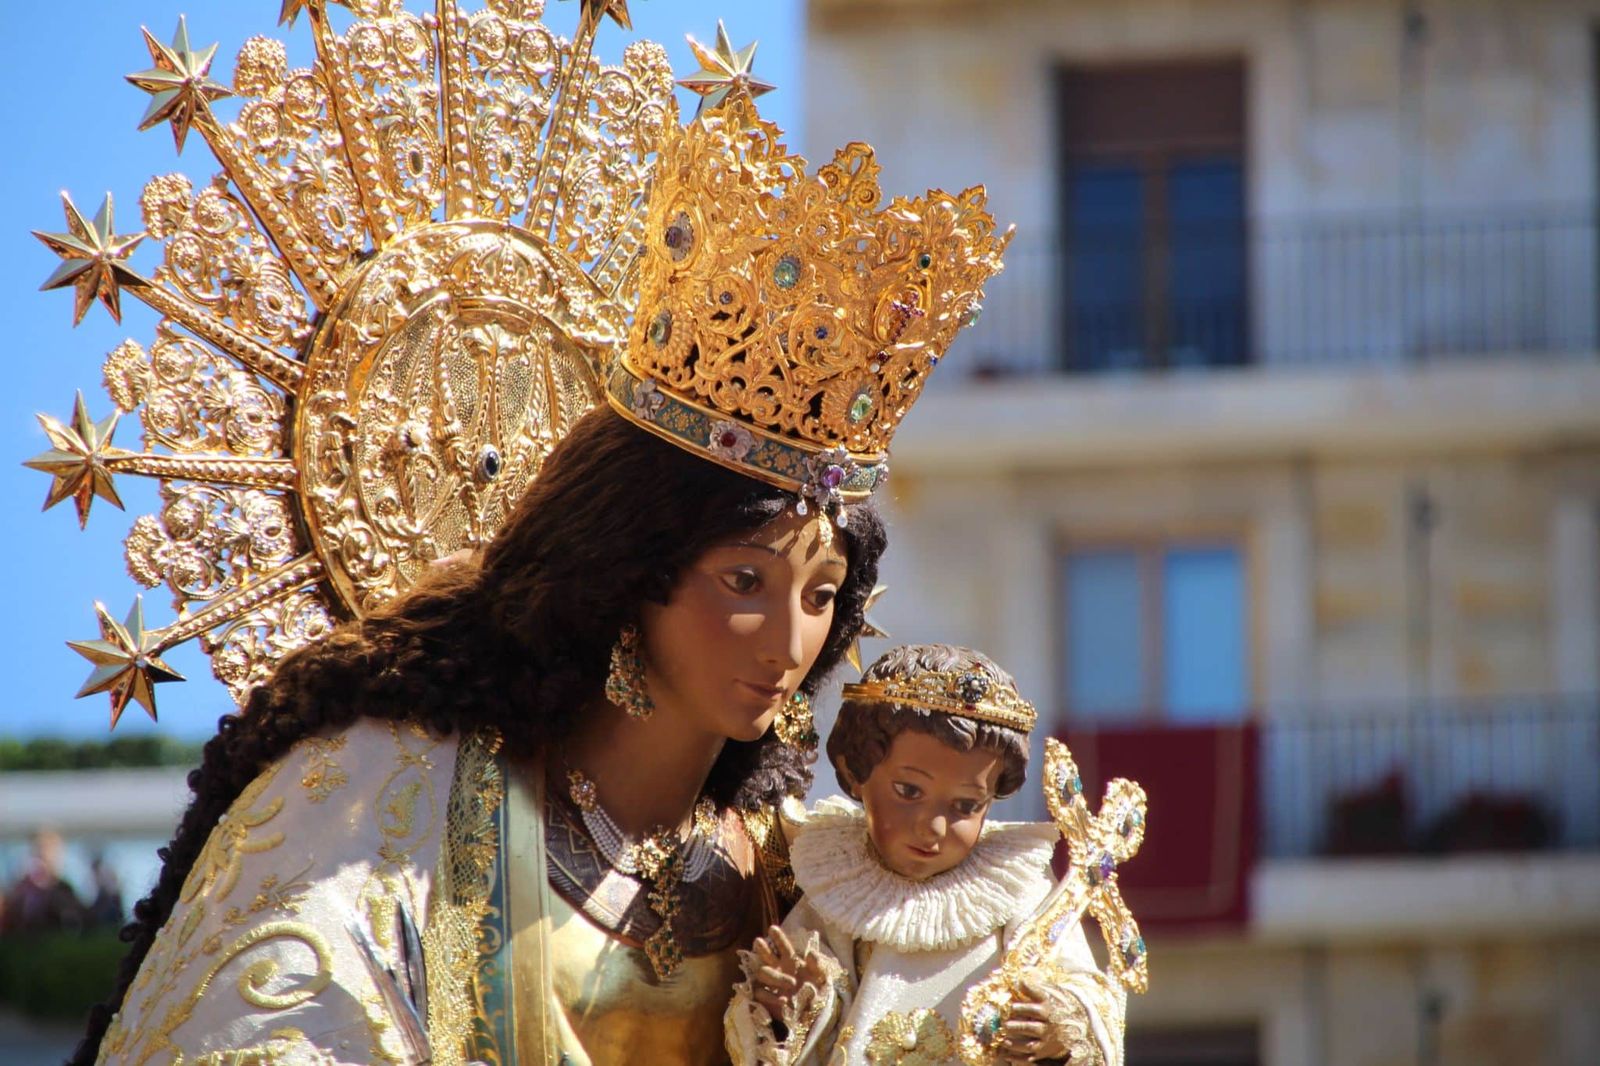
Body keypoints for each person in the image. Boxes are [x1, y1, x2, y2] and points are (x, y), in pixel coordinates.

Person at [54, 9, 1011, 1066]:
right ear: (628, 575)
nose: (788, 639)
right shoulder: (387, 794)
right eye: (746, 578)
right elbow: (265, 1014)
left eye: (822, 593)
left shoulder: (806, 872)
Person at [725, 646, 1129, 1065]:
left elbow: (1089, 993)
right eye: (909, 792)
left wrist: (1058, 1026)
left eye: (966, 806)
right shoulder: (836, 884)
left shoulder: (1018, 886)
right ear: (855, 773)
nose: (933, 827)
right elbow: (792, 1015)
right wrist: (798, 1001)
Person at [1, 828, 86, 935]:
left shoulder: (65, 889)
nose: (44, 855)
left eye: (50, 849)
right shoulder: (22, 890)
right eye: (40, 849)